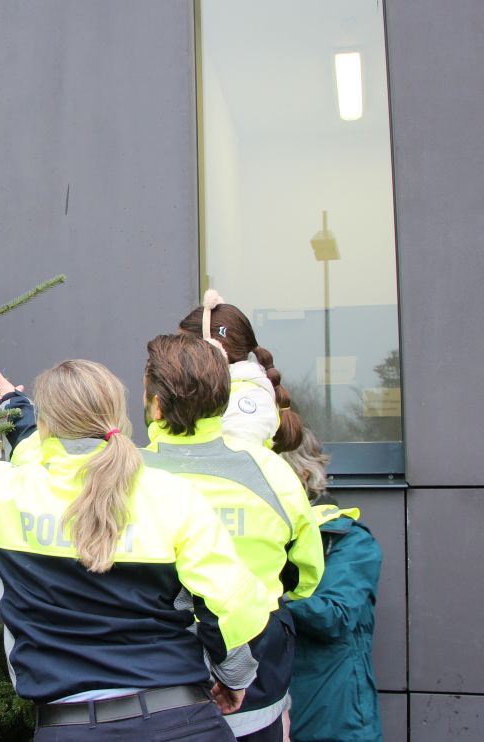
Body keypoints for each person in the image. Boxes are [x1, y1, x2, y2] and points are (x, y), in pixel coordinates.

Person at [0, 359, 276, 740]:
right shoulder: (172, 494)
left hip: (71, 728)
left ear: (47, 425)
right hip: (183, 720)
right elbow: (229, 604)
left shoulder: (6, 496)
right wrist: (234, 677)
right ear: (116, 414)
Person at [141, 334, 323, 741]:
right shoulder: (273, 472)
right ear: (224, 400)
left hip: (155, 674)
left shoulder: (125, 474)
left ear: (156, 404)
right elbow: (305, 574)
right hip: (257, 666)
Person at [283, 429, 383, 742]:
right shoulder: (262, 538)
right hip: (268, 711)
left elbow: (333, 616)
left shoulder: (350, 540)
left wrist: (265, 598)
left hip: (335, 719)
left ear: (303, 474)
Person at [179, 289, 304, 453]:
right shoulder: (224, 391)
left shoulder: (248, 401)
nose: (178, 357)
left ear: (213, 348)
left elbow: (232, 461)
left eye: (184, 349)